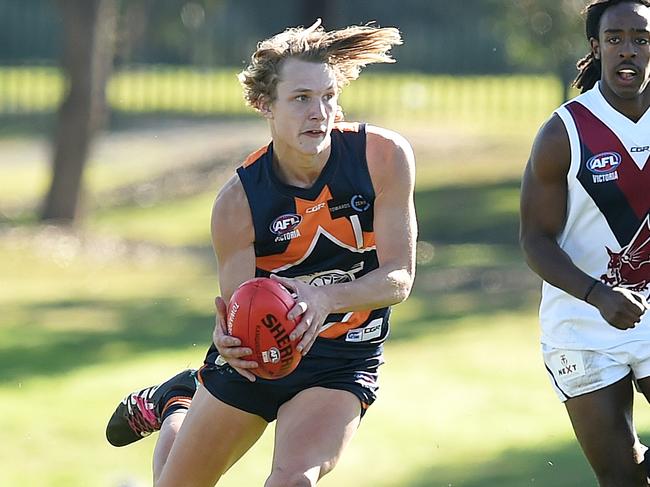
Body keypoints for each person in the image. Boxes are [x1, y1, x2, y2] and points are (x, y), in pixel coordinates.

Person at [106, 20, 417, 487]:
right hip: (260, 355)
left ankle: (181, 399)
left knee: (293, 481)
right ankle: (176, 401)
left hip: (343, 356)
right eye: (300, 99)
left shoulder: (383, 157)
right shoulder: (238, 203)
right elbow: (242, 306)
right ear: (264, 105)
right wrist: (230, 332)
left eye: (328, 96)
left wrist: (324, 299)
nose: (320, 113)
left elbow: (399, 277)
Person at [520, 0, 650, 485]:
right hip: (582, 323)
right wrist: (599, 295)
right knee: (623, 480)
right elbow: (535, 240)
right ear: (596, 48)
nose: (628, 51)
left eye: (641, 38)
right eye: (615, 39)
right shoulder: (564, 132)